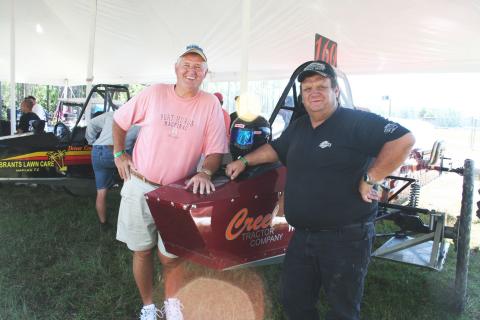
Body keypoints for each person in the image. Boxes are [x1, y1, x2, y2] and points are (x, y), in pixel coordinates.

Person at [226, 61, 415, 320]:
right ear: (302, 96)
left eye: (322, 87)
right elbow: (277, 149)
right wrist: (244, 161)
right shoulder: (300, 127)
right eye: (308, 88)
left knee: (342, 310)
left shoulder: (355, 122)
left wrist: (370, 178)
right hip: (303, 236)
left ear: (335, 91)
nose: (314, 92)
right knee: (294, 302)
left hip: (345, 238)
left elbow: (403, 140)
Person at [112, 44, 228, 320]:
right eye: (186, 64)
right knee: (141, 252)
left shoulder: (210, 103)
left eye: (198, 66)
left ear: (205, 73)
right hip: (139, 182)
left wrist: (205, 172)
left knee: (171, 256)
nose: (192, 70)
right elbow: (119, 120)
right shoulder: (154, 93)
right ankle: (149, 306)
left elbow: (215, 152)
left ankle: (172, 303)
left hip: (177, 192)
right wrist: (119, 153)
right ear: (176, 69)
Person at [85, 111, 139, 231]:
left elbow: (92, 124)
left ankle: (103, 224)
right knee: (132, 189)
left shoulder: (113, 114)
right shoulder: (140, 121)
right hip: (116, 152)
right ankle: (130, 223)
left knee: (101, 192)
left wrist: (91, 141)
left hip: (97, 150)